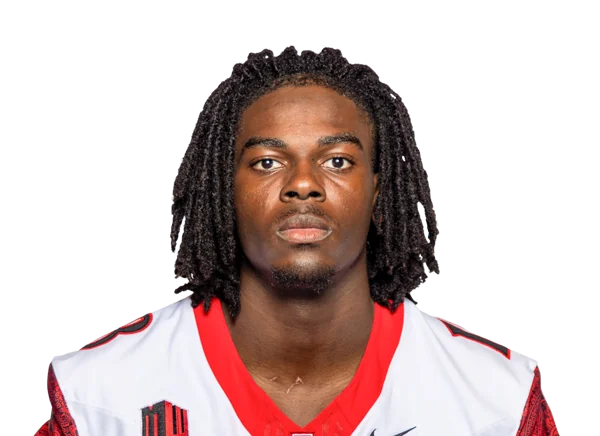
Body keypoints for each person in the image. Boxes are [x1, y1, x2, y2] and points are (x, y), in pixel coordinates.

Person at [35, 45, 557, 436]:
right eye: (267, 162)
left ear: (379, 191)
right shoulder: (99, 397)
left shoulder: (494, 400)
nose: (303, 183)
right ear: (225, 191)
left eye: (338, 161)